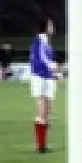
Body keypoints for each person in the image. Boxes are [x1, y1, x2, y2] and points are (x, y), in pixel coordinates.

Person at [30, 19, 61, 153]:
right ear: (44, 27)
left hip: (48, 78)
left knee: (47, 113)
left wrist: (56, 73)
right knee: (42, 111)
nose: (53, 27)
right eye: (50, 25)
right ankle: (40, 146)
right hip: (39, 77)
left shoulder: (47, 44)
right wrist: (54, 68)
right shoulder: (38, 42)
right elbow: (41, 59)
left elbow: (48, 59)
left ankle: (43, 144)